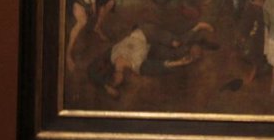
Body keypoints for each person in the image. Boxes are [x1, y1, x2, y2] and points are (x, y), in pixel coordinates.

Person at [89, 21, 217, 98]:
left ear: (113, 77)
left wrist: (106, 86)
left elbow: (91, 70)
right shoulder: (136, 66)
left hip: (147, 31)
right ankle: (198, 41)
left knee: (176, 43)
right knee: (175, 53)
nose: (118, 81)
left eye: (115, 83)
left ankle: (198, 27)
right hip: (151, 44)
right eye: (118, 84)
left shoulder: (112, 56)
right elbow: (160, 66)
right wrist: (180, 62)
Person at [66, 0, 130, 71]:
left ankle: (97, 27)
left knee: (110, 3)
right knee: (82, 21)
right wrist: (92, 2)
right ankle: (68, 54)